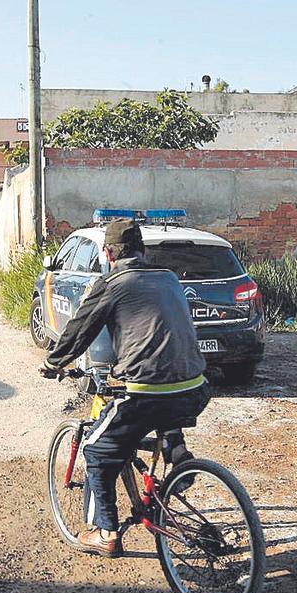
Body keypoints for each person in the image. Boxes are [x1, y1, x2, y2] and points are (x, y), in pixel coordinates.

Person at [40, 219, 209, 558]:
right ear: (143, 251)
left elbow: (78, 331)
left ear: (107, 253)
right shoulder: (169, 278)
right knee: (163, 405)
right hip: (197, 388)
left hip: (146, 393)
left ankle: (105, 533)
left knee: (97, 450)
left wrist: (54, 362)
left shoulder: (112, 283)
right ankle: (178, 455)